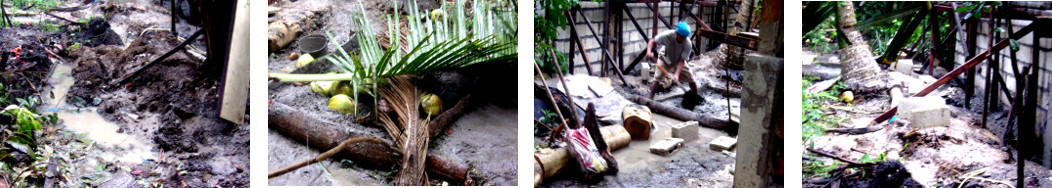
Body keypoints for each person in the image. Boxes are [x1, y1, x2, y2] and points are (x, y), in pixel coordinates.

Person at [646, 21, 697, 100]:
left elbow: (682, 60)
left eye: (685, 37)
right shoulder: (667, 35)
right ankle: (650, 99)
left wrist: (676, 74)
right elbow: (652, 41)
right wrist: (649, 51)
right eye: (682, 37)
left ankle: (695, 98)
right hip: (665, 58)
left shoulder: (688, 43)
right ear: (677, 33)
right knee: (657, 78)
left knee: (691, 79)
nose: (684, 39)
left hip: (678, 60)